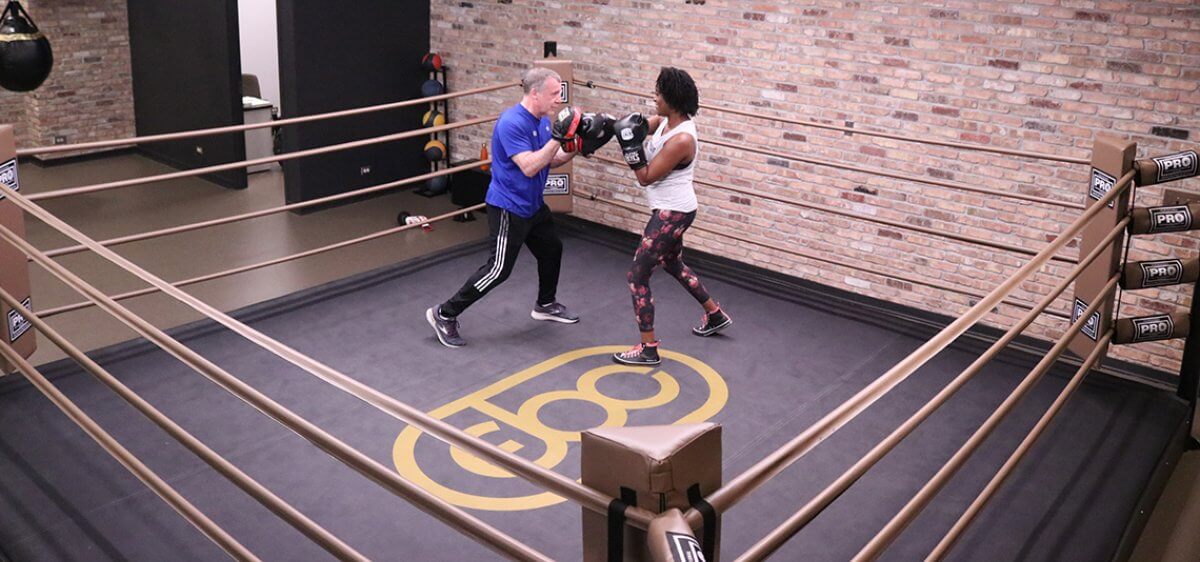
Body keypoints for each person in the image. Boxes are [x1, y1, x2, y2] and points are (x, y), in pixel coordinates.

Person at [426, 67, 586, 347]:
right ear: (535, 93)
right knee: (498, 269)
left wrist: (580, 146)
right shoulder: (511, 123)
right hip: (509, 207)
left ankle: (545, 304)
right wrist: (558, 139)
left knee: (552, 249)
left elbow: (550, 159)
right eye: (553, 94)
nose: (558, 100)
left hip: (533, 205)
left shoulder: (543, 121)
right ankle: (444, 313)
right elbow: (529, 166)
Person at [610, 67, 731, 366]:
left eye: (658, 94)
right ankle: (715, 314)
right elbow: (636, 127)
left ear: (672, 100)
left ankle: (648, 349)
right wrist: (604, 126)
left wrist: (629, 147)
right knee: (673, 263)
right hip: (671, 209)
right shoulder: (665, 121)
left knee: (637, 276)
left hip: (673, 213)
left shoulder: (682, 139)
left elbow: (646, 176)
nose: (655, 99)